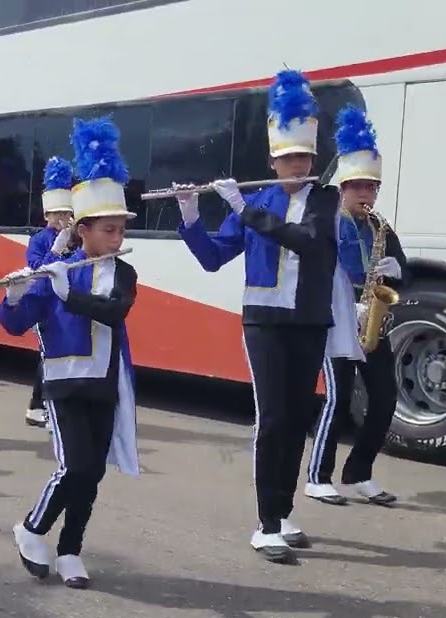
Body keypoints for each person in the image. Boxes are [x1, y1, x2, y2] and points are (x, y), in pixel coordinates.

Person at [173, 70, 340, 564]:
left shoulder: (325, 201)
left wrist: (243, 208)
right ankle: (266, 524)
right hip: (263, 321)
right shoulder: (258, 199)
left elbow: (306, 242)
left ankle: (284, 513)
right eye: (288, 158)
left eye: (304, 158)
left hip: (308, 321)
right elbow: (212, 256)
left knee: (295, 418)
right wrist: (188, 213)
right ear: (272, 160)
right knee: (272, 419)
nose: (296, 165)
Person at [0, 117, 140, 589]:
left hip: (104, 383)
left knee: (93, 473)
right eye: (109, 230)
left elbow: (114, 313)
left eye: (121, 230)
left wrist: (65, 294)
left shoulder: (122, 274)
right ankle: (32, 527)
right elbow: (14, 325)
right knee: (74, 466)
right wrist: (17, 295)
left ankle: (70, 550)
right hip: (62, 384)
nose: (117, 238)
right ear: (83, 230)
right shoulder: (54, 270)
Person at [306, 105, 403, 507]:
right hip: (336, 318)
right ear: (342, 186)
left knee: (384, 398)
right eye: (358, 186)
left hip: (371, 321)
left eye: (372, 187)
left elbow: (402, 275)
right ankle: (317, 476)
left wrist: (395, 270)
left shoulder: (379, 226)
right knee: (337, 398)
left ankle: (360, 473)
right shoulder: (327, 221)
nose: (366, 194)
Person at [21, 156, 78, 428]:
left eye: (66, 214)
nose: (62, 219)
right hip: (44, 304)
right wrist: (56, 249)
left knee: (59, 354)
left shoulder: (75, 238)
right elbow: (35, 270)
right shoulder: (39, 239)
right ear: (46, 216)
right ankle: (40, 404)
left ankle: (43, 404)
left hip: (65, 304)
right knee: (47, 356)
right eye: (57, 214)